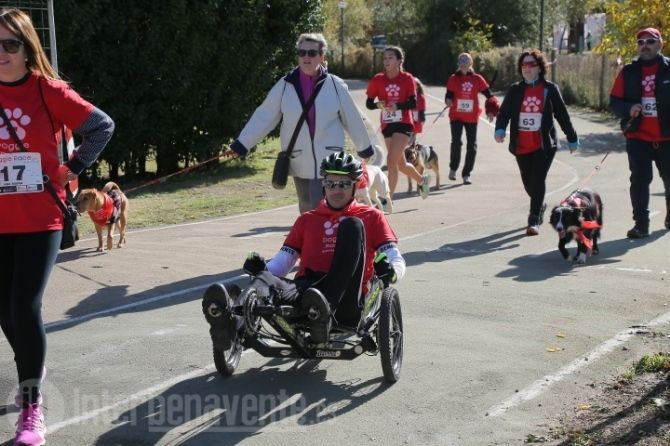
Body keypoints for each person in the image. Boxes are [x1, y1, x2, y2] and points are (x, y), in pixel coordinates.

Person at [0, 8, 114, 446]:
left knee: (24, 305)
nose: (2, 53)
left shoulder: (48, 90)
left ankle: (32, 411)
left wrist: (73, 167)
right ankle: (32, 361)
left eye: (11, 44)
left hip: (40, 219)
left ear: (28, 49)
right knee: (4, 308)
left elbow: (100, 126)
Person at [202, 152, 406, 346]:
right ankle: (230, 324)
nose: (336, 190)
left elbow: (394, 256)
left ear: (355, 185)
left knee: (351, 225)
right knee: (264, 279)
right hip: (306, 292)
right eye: (330, 184)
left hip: (346, 298)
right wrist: (263, 269)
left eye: (344, 184)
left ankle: (324, 311)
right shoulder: (307, 220)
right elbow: (283, 262)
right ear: (323, 185)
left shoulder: (371, 216)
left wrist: (393, 273)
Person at [230, 33, 374, 214]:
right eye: (302, 52)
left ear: (322, 56)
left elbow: (351, 118)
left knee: (321, 205)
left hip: (329, 160)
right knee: (306, 206)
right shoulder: (285, 85)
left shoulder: (336, 85)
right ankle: (314, 232)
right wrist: (243, 143)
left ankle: (327, 232)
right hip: (298, 157)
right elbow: (264, 116)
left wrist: (364, 147)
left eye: (312, 53)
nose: (306, 57)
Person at [494, 49, 579, 236]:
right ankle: (540, 205)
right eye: (523, 65)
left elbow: (562, 115)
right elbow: (504, 113)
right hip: (521, 145)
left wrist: (572, 137)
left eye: (531, 64)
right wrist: (499, 128)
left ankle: (533, 220)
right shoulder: (515, 90)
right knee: (528, 182)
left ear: (540, 68)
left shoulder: (550, 89)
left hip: (544, 145)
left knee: (538, 179)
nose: (527, 68)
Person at [609, 27, 670, 238]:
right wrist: (629, 108)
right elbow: (614, 102)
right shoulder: (628, 72)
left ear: (660, 44)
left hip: (667, 137)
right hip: (638, 137)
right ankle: (641, 225)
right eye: (641, 42)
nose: (645, 46)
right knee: (639, 181)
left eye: (650, 41)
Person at [366, 46, 430, 199]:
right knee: (400, 164)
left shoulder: (407, 78)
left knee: (390, 160)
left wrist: (398, 106)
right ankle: (422, 180)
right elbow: (369, 103)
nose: (386, 61)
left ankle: (387, 199)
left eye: (390, 58)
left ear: (399, 61)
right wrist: (379, 105)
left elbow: (413, 102)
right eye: (384, 58)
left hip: (404, 123)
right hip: (387, 124)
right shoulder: (378, 79)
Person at [445, 52, 500, 185]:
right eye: (461, 62)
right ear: (458, 64)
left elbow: (490, 95)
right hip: (456, 115)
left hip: (472, 117)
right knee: (456, 142)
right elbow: (448, 95)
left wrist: (491, 111)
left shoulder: (477, 79)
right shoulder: (453, 79)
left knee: (472, 146)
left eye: (466, 62)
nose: (464, 65)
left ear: (470, 64)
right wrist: (448, 100)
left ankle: (466, 174)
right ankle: (453, 168)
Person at [411, 76, 427, 142]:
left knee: (412, 136)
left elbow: (422, 110)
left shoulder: (420, 97)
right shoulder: (406, 95)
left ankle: (412, 145)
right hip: (407, 118)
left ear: (418, 86)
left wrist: (423, 118)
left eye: (415, 85)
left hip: (416, 119)